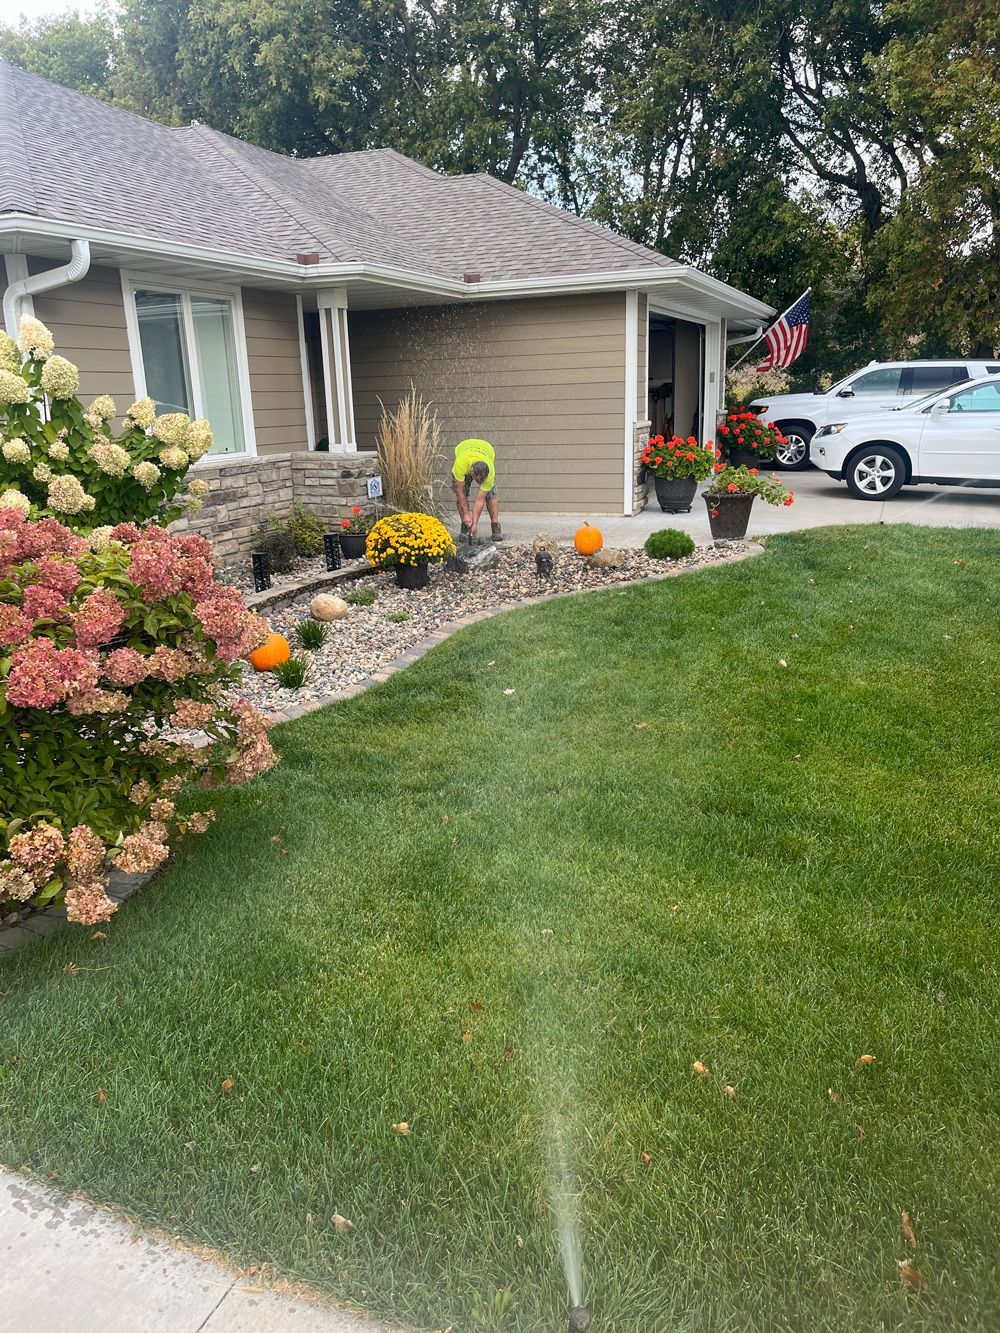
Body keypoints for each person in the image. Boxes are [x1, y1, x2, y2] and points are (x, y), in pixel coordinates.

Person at [451, 437, 502, 541]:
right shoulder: (461, 464)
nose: (479, 483)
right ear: (472, 473)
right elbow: (460, 492)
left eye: (481, 481)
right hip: (464, 449)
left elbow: (480, 499)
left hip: (486, 448)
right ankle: (465, 526)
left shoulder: (490, 471)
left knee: (491, 494)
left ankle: (495, 526)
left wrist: (475, 524)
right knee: (461, 493)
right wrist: (466, 514)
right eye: (477, 480)